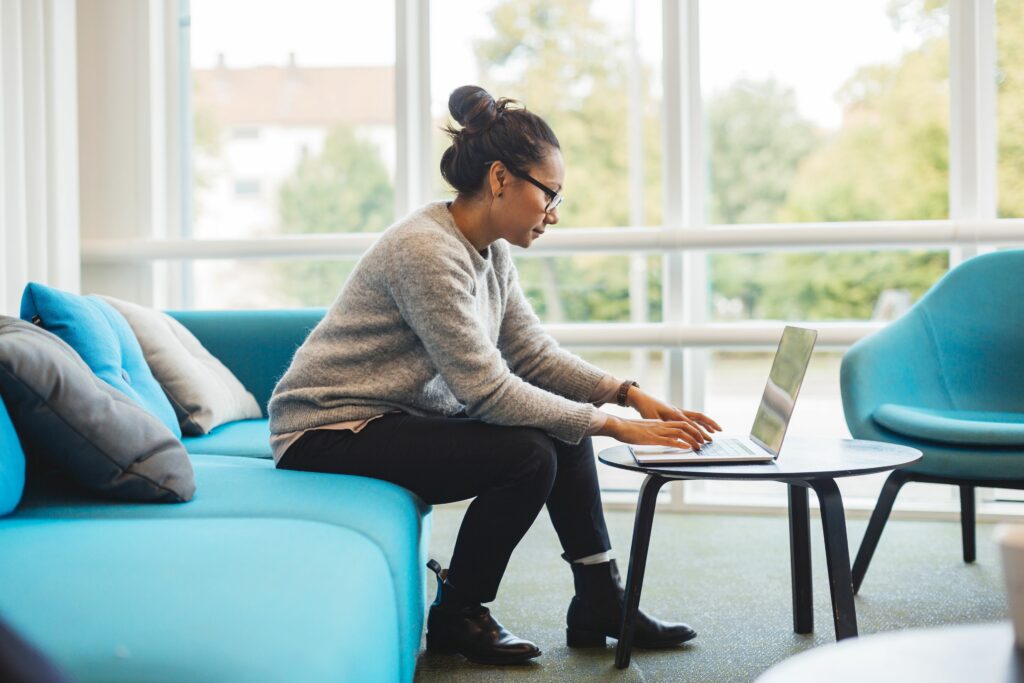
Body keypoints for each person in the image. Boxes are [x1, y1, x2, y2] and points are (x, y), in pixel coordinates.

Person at [268, 84, 722, 666]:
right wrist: (613, 425)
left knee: (563, 426)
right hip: (329, 433)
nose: (554, 213)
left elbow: (530, 353)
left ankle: (600, 600)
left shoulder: (489, 249)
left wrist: (629, 395)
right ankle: (458, 614)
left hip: (391, 418)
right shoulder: (425, 250)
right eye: (550, 195)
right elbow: (485, 391)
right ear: (501, 179)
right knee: (530, 454)